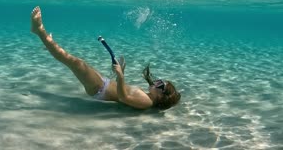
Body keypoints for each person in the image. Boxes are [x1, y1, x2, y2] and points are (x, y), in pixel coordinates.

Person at [30, 6, 181, 110]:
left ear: (162, 96)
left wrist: (120, 76)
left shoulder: (147, 102)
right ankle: (50, 45)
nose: (156, 81)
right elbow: (124, 93)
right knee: (73, 62)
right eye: (160, 80)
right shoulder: (147, 98)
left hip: (99, 89)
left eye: (160, 84)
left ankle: (40, 32)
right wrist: (120, 73)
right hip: (103, 84)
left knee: (75, 62)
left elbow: (124, 98)